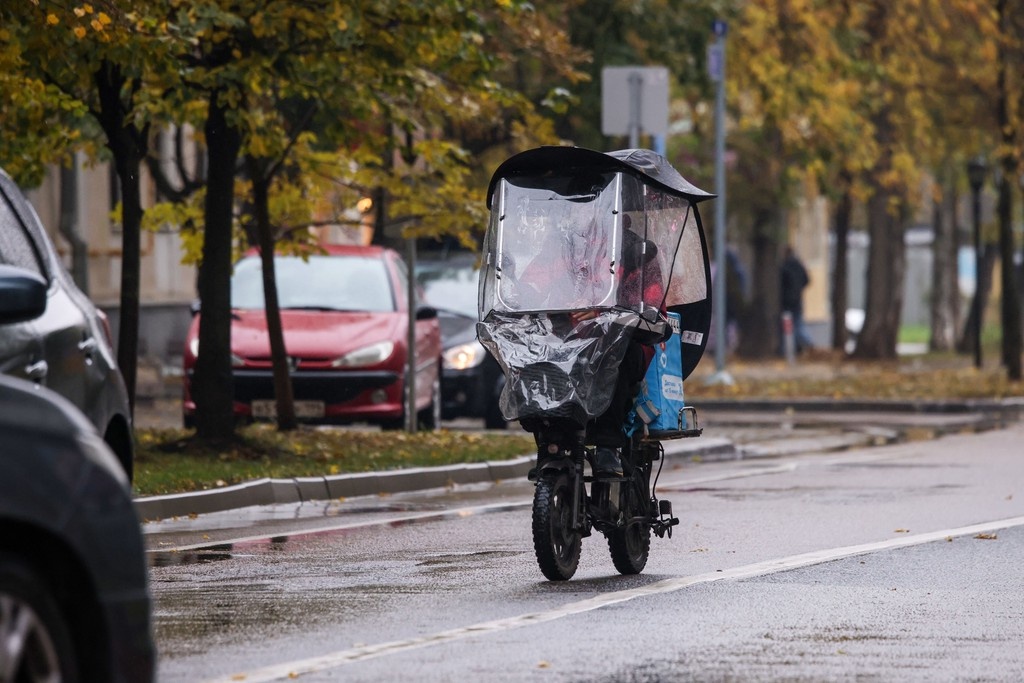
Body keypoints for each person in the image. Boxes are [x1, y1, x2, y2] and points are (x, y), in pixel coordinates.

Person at [780, 245, 813, 353]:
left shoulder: (784, 267)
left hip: (787, 301)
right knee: (797, 324)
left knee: (789, 327)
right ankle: (799, 346)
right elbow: (807, 280)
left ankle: (803, 345)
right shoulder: (799, 265)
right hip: (798, 299)